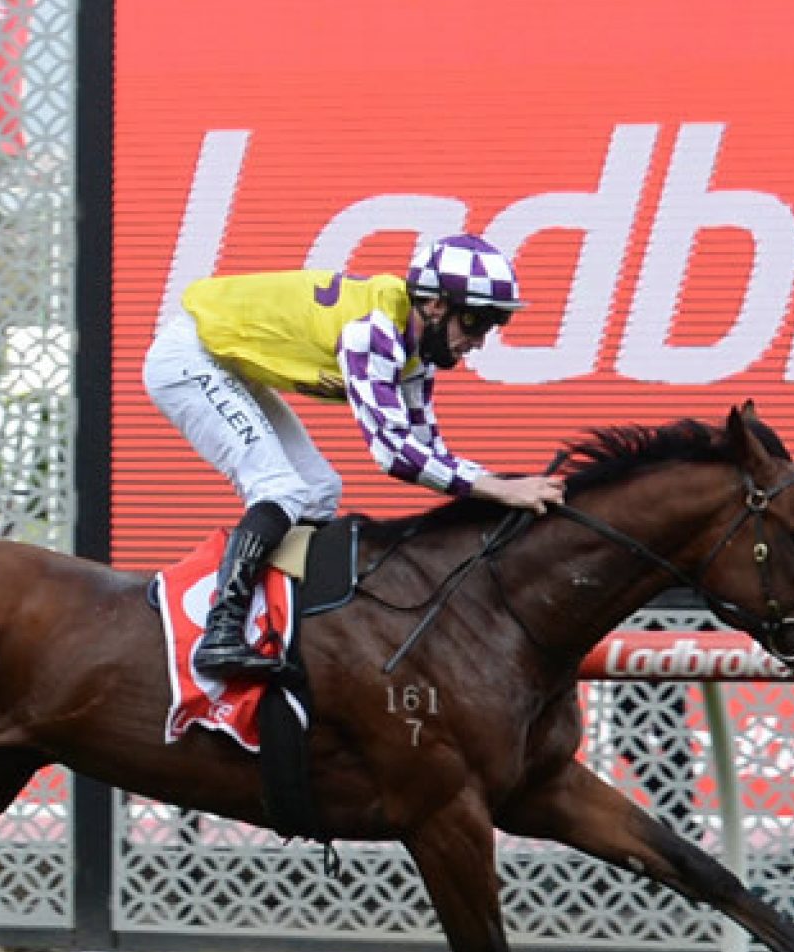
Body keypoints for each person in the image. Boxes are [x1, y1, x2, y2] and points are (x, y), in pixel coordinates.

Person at [144, 233, 565, 679]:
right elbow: (394, 453)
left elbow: (428, 448)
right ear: (436, 305)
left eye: (493, 325)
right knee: (281, 489)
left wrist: (499, 488)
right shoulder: (375, 332)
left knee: (320, 489)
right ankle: (220, 631)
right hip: (190, 359)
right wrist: (498, 487)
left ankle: (283, 622)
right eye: (477, 322)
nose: (480, 341)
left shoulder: (415, 351)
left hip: (224, 361)